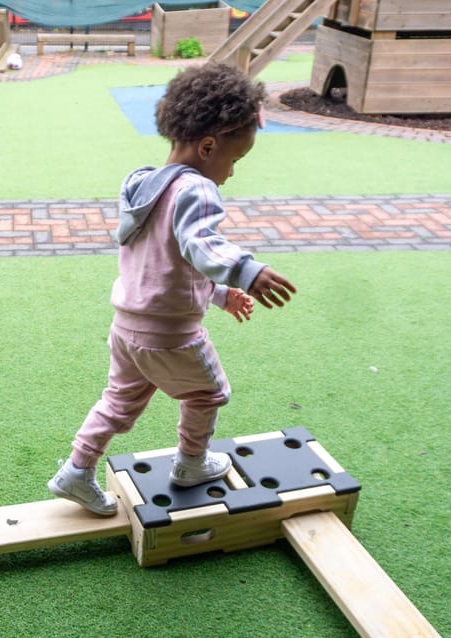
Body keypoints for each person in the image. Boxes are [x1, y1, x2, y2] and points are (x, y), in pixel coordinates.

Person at [49, 62, 297, 516]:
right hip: (170, 334)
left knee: (118, 402)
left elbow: (167, 261)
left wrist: (219, 295)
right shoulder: (197, 189)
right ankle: (191, 463)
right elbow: (201, 244)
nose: (232, 173)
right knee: (208, 393)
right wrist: (246, 271)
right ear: (208, 146)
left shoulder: (141, 184)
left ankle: (76, 471)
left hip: (126, 327)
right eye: (234, 160)